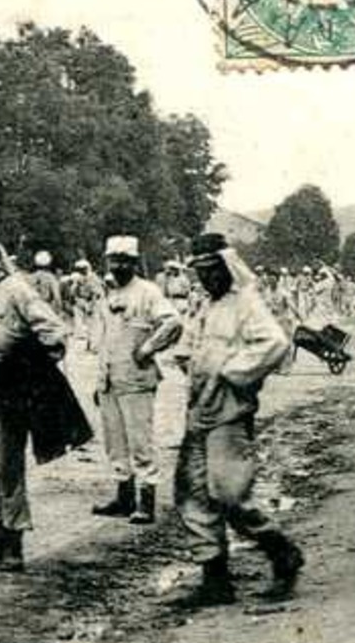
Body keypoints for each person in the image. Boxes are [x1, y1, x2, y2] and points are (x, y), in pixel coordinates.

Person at [172, 233, 301, 606]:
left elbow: (274, 343)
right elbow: (187, 348)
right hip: (199, 410)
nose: (207, 278)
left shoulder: (245, 303)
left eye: (213, 270)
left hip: (230, 413)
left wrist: (232, 372)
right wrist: (194, 365)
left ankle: (281, 550)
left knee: (228, 493)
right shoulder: (203, 306)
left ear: (227, 266)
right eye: (201, 272)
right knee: (192, 494)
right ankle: (215, 579)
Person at [0, 235, 74, 571]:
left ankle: (14, 542)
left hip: (8, 386)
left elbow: (53, 329)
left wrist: (32, 367)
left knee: (7, 466)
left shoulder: (15, 289)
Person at [91, 236, 182, 524]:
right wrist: (98, 380)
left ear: (133, 262)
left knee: (140, 440)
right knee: (114, 441)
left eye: (124, 261)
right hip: (110, 378)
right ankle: (124, 496)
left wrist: (148, 349)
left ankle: (146, 500)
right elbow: (105, 339)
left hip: (137, 379)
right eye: (113, 260)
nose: (118, 266)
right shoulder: (108, 294)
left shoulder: (148, 292)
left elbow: (172, 322)